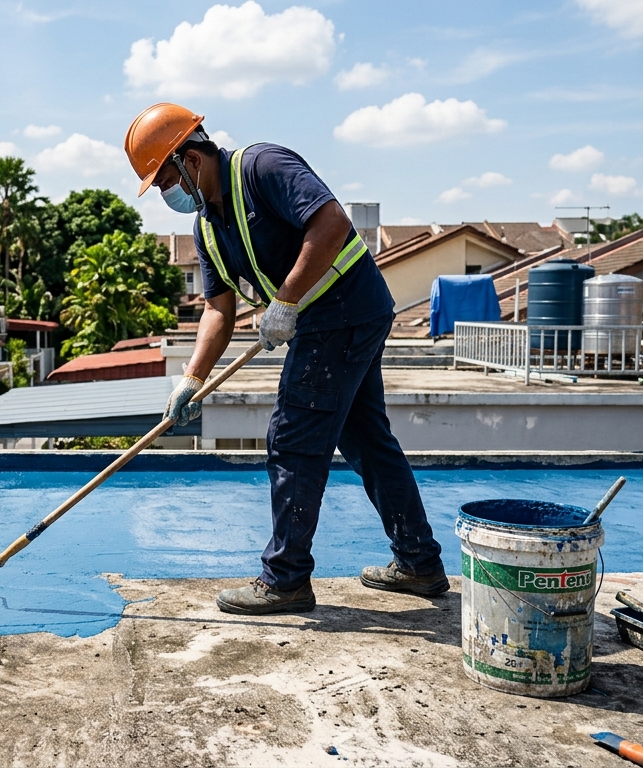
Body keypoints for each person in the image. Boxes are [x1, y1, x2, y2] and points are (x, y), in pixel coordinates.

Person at [124, 103, 447, 615]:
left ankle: (285, 578)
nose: (166, 193)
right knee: (366, 439)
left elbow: (332, 221)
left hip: (344, 308)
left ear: (190, 158)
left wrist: (287, 299)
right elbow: (217, 309)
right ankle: (419, 563)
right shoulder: (208, 228)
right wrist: (191, 379)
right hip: (330, 320)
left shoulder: (261, 167)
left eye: (165, 178)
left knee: (292, 438)